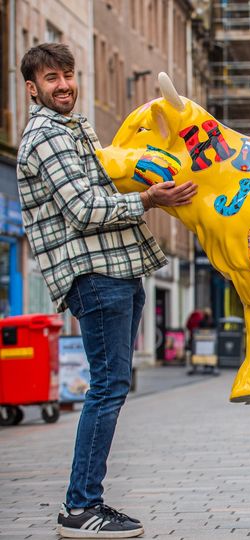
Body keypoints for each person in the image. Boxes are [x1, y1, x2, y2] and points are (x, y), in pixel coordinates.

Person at [16, 44, 197, 538]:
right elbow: (84, 209)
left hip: (117, 269)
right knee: (107, 388)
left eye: (69, 75)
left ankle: (85, 502)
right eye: (51, 78)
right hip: (94, 275)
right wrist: (149, 199)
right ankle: (81, 506)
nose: (64, 85)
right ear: (32, 88)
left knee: (111, 386)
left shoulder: (75, 129)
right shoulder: (47, 137)